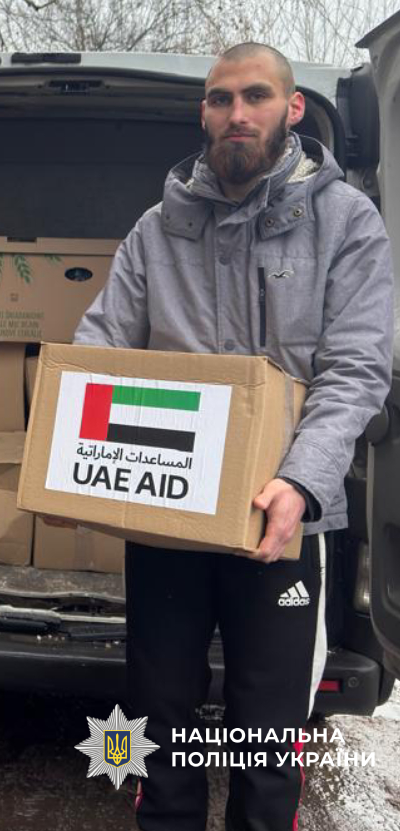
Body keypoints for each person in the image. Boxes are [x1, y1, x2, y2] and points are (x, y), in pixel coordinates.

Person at [74, 42, 393, 830]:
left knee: (267, 730)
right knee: (159, 719)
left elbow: (357, 370)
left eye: (255, 96)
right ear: (204, 113)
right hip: (170, 524)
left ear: (291, 109)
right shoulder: (156, 230)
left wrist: (302, 483)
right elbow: (98, 351)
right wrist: (73, 453)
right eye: (220, 99)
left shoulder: (345, 222)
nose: (236, 113)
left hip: (283, 523)